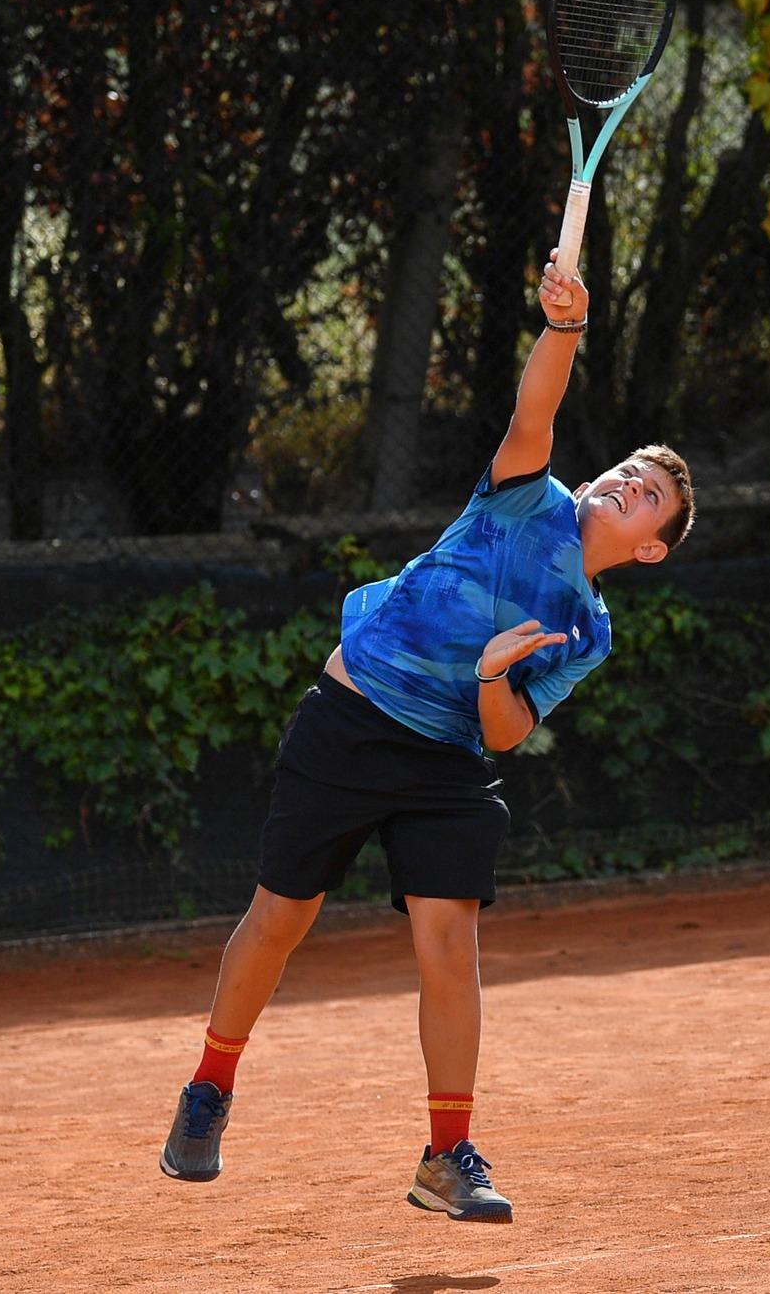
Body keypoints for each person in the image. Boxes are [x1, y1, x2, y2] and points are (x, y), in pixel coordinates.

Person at [158, 252, 695, 1223]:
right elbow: (535, 408)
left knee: (450, 945)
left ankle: (446, 1154)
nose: (626, 483)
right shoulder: (525, 494)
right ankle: (208, 1085)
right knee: (279, 921)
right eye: (628, 470)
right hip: (353, 717)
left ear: (650, 545)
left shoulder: (588, 629)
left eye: (648, 494)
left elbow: (506, 726)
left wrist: (494, 672)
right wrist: (563, 326)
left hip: (448, 754)